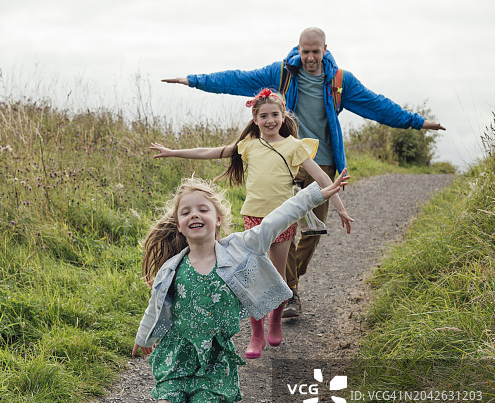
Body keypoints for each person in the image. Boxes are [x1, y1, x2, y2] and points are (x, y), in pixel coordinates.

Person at [162, 27, 445, 318]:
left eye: (315, 52)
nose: (309, 58)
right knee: (285, 227)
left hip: (322, 162)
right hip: (288, 163)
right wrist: (192, 81)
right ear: (298, 49)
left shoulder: (340, 82)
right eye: (305, 51)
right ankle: (290, 290)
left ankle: (284, 280)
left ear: (325, 49)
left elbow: (378, 106)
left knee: (313, 229)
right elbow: (237, 79)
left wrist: (419, 123)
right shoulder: (284, 73)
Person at [131, 173, 347, 403]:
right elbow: (156, 308)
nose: (194, 214)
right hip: (177, 356)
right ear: (180, 225)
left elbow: (278, 216)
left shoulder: (239, 247)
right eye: (186, 212)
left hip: (215, 360)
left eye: (203, 209)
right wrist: (143, 339)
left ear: (218, 219)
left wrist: (314, 194)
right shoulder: (173, 266)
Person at [150, 88, 352, 359]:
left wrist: (340, 208)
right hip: (254, 217)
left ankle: (276, 320)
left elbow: (323, 180)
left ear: (283, 116)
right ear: (255, 119)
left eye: (275, 115)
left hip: (284, 217)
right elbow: (210, 151)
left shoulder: (294, 146)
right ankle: (257, 335)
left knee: (278, 278)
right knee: (252, 276)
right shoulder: (248, 146)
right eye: (264, 115)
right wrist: (173, 152)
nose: (270, 120)